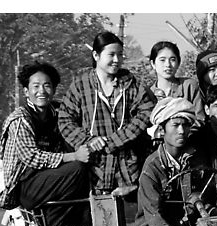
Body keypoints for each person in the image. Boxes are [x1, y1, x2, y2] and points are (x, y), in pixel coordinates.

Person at [129, 97, 215, 226]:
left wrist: (208, 208)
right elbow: (153, 215)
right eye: (175, 125)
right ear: (162, 129)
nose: (181, 131)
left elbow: (210, 195)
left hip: (189, 223)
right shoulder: (152, 167)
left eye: (186, 125)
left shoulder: (198, 159)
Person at [0, 61, 92, 226]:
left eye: (47, 85)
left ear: (54, 89)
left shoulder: (59, 112)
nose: (41, 91)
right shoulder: (20, 119)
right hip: (27, 185)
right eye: (36, 86)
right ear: (26, 91)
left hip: (52, 177)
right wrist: (73, 156)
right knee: (77, 168)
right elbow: (31, 156)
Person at [58, 31, 155, 195]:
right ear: (96, 55)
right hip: (94, 169)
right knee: (98, 214)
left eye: (120, 55)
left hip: (128, 168)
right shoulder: (81, 85)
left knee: (131, 216)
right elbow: (65, 120)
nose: (117, 60)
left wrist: (115, 140)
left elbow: (146, 111)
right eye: (111, 54)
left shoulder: (131, 84)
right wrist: (89, 140)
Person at [148, 41, 204, 121]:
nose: (168, 64)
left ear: (178, 63)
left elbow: (200, 118)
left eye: (172, 60)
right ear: (153, 63)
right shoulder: (149, 93)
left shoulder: (188, 86)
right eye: (162, 60)